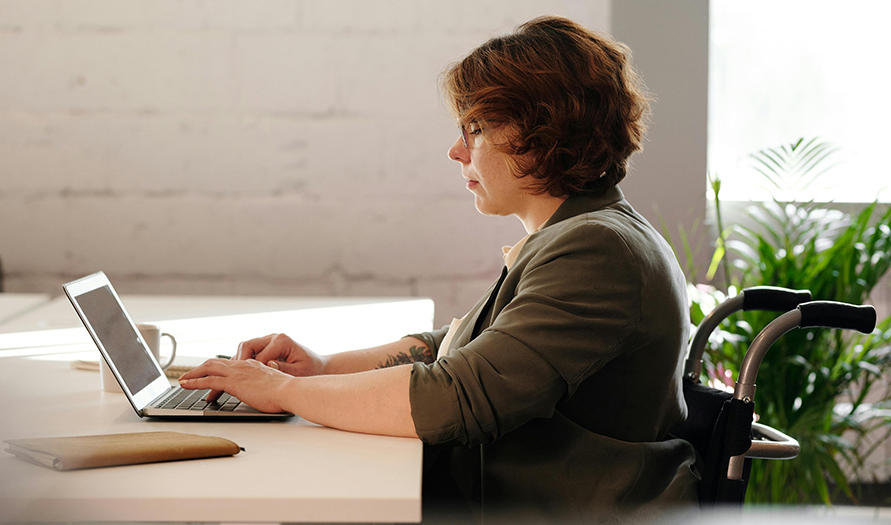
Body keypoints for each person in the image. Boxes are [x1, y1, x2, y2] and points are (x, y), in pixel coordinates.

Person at [180, 16, 699, 523]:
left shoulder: (598, 250)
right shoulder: (580, 232)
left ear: (542, 134)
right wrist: (321, 366)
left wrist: (283, 392)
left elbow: (460, 396)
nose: (455, 151)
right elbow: (454, 346)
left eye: (474, 129)